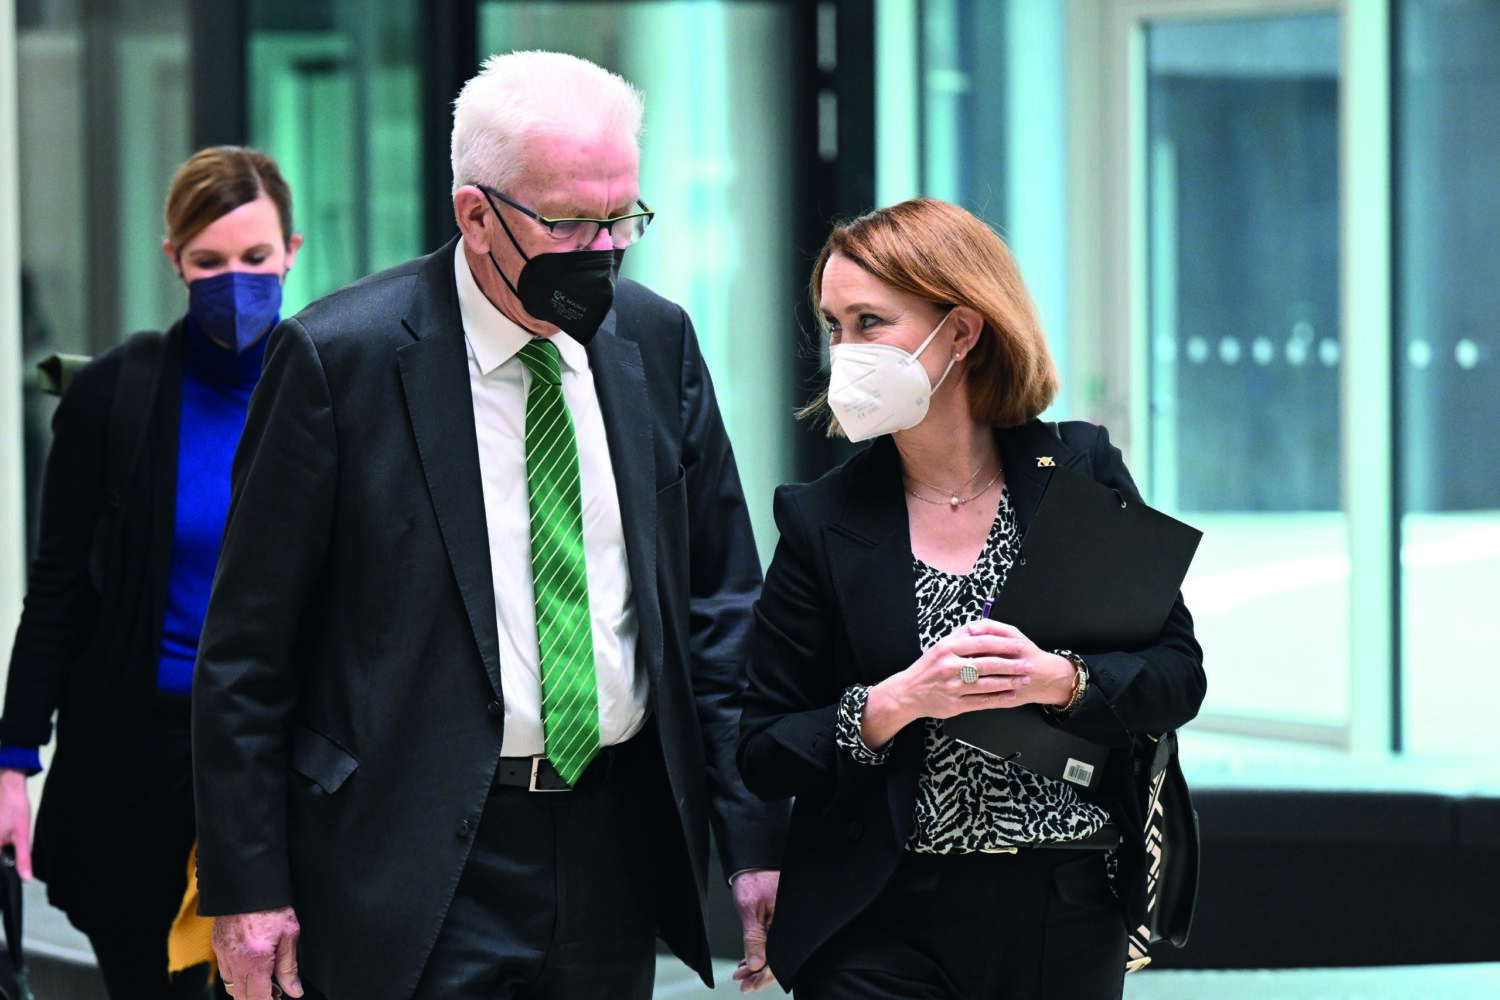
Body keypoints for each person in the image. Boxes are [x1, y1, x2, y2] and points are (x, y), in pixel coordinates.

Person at [190, 50, 786, 1000]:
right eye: (568, 222)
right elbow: (246, 654)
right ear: (476, 214)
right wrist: (248, 887)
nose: (603, 251)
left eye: (622, 218)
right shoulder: (340, 361)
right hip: (408, 849)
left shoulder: (656, 339)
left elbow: (718, 607)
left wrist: (752, 833)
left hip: (613, 841)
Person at [737, 197, 1206, 999]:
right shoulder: (820, 519)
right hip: (880, 912)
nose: (845, 351)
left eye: (870, 322)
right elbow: (764, 743)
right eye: (834, 325)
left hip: (1065, 904)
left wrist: (1063, 681)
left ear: (961, 331)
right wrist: (892, 703)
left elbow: (1177, 676)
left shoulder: (1080, 473)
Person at [0, 146, 303, 999]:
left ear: (292, 251)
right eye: (208, 262)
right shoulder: (113, 395)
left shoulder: (328, 386)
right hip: (135, 766)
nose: (233, 281)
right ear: (174, 261)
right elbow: (58, 592)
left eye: (254, 258)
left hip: (282, 771)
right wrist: (13, 759)